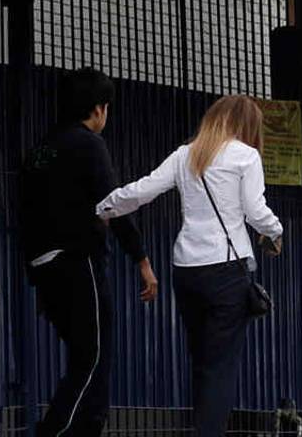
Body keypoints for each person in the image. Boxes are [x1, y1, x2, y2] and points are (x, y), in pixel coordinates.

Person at [96, 95, 284, 437]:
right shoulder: (246, 156)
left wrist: (103, 208)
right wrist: (275, 231)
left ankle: (202, 428)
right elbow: (256, 211)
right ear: (248, 125)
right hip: (226, 270)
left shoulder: (187, 154)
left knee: (201, 362)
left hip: (185, 271)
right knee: (220, 367)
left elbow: (143, 190)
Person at [19, 68, 159, 437]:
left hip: (44, 266)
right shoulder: (87, 144)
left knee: (84, 357)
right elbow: (112, 204)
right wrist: (142, 259)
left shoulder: (40, 149)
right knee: (93, 360)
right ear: (98, 109)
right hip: (77, 263)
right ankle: (55, 431)